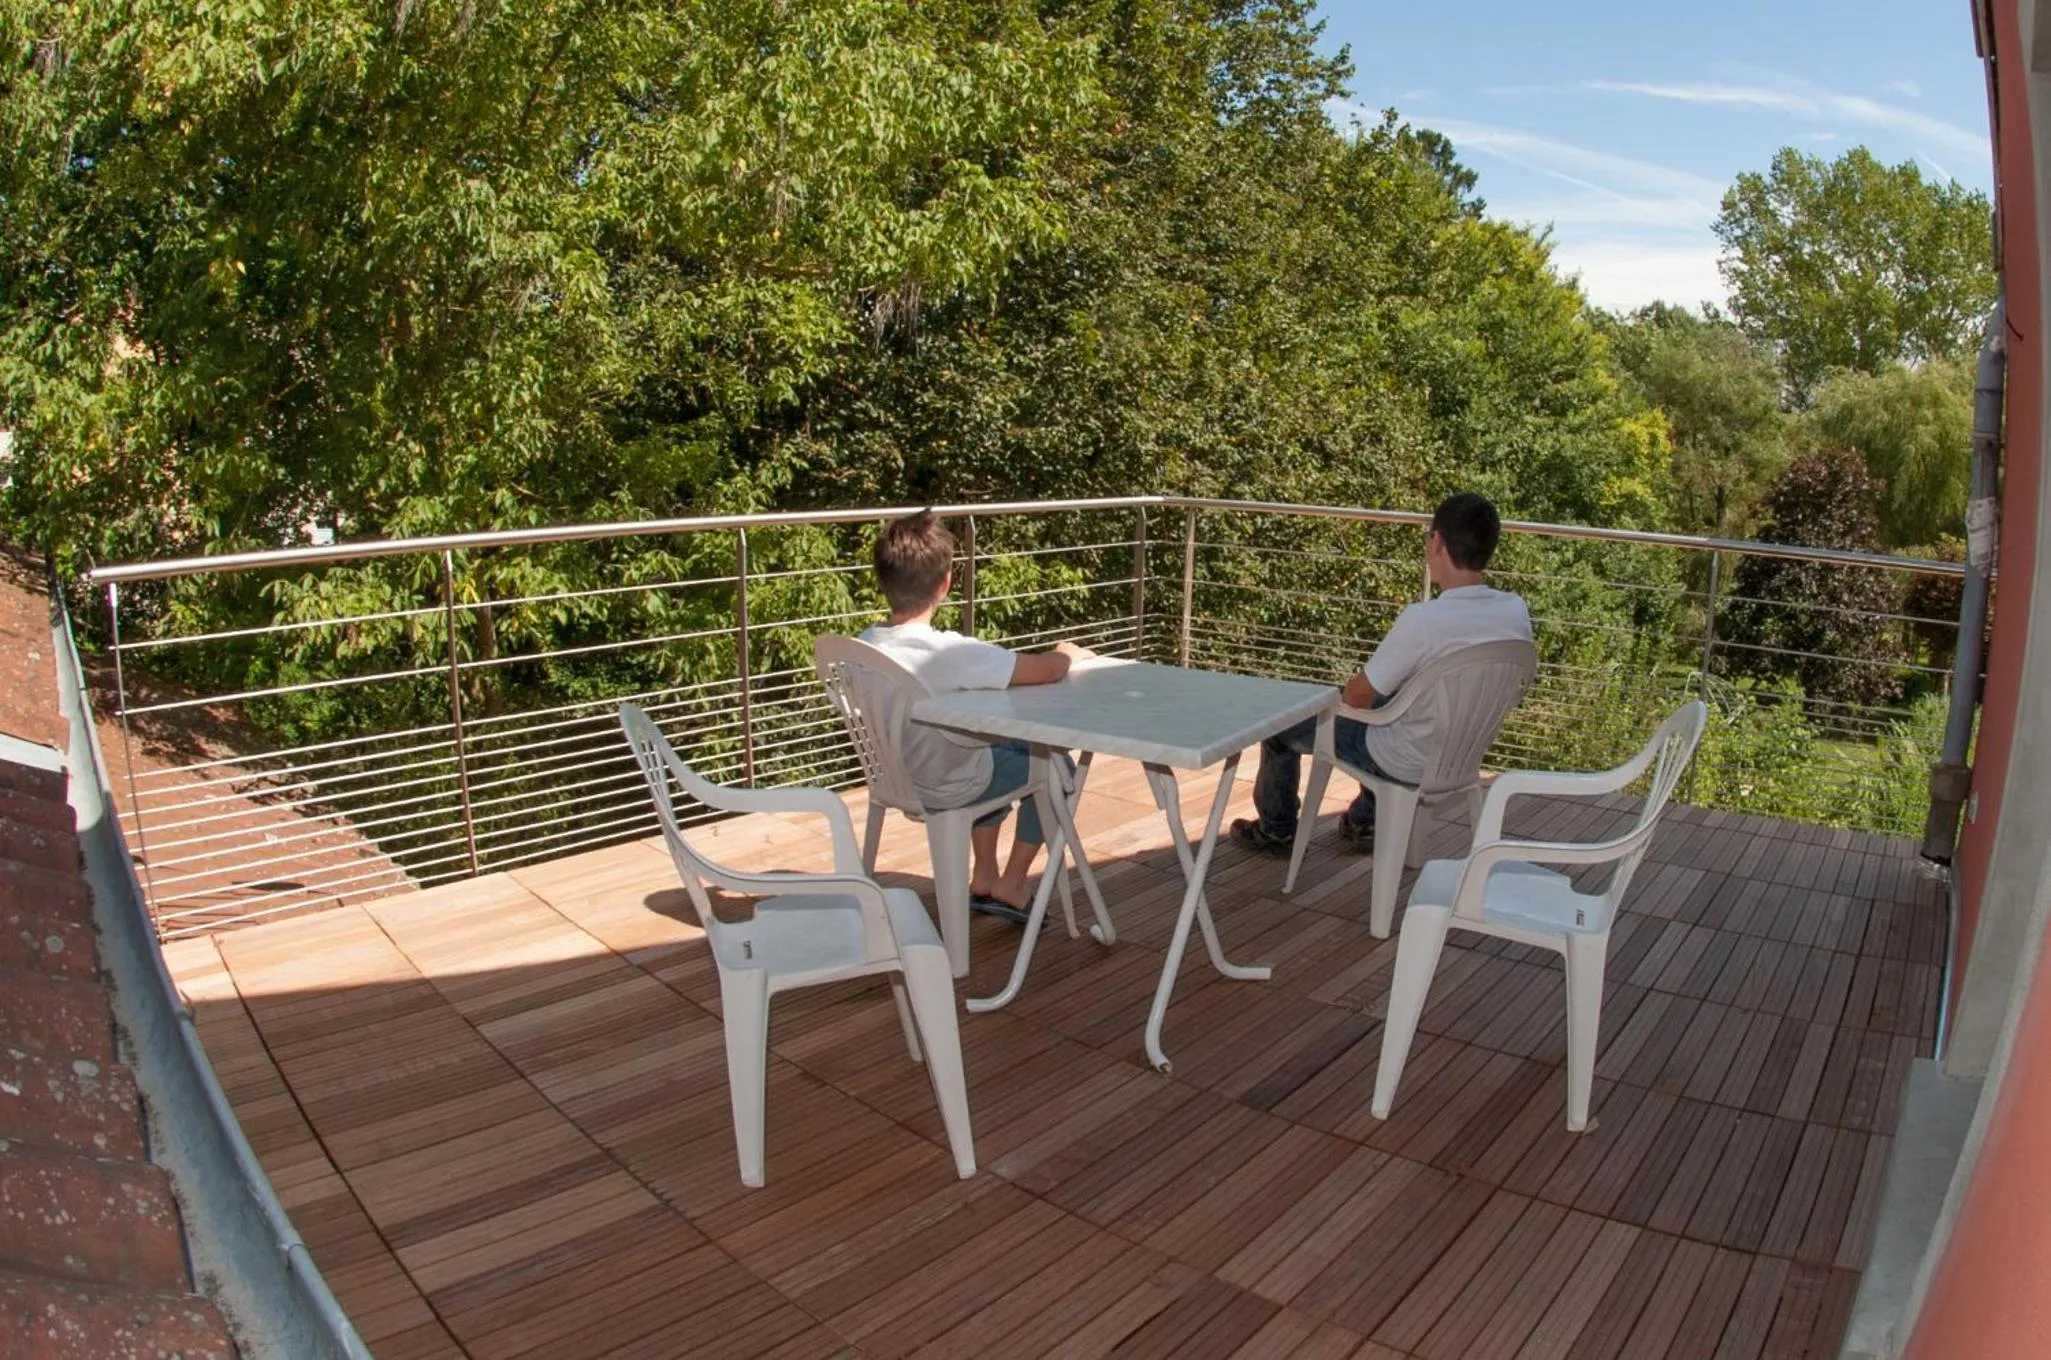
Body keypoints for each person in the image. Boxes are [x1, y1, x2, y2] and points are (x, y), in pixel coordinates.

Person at [1231, 492, 1532, 855]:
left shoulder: (1425, 620)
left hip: (1404, 759)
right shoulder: (1514, 610)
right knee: (1392, 701)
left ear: (1436, 542)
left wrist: (1328, 712)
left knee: (1281, 729)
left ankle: (1276, 830)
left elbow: (1358, 695)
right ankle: (1363, 820)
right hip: (1461, 754)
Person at [859, 510, 1090, 918]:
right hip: (950, 784)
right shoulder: (950, 653)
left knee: (999, 746)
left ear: (881, 581)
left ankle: (984, 875)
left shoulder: (861, 646)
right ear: (944, 584)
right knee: (1058, 766)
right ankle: (1014, 883)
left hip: (895, 778)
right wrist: (1067, 652)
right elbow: (1045, 670)